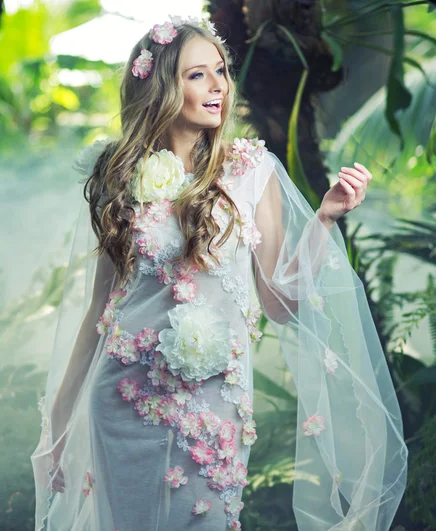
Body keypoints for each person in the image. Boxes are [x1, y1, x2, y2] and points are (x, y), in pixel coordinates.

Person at [31, 15, 407, 531]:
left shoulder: (253, 170)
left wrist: (325, 218)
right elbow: (101, 310)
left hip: (213, 405)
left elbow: (278, 301)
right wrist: (56, 426)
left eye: (222, 70)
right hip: (121, 403)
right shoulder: (117, 174)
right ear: (162, 86)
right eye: (196, 75)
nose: (218, 86)